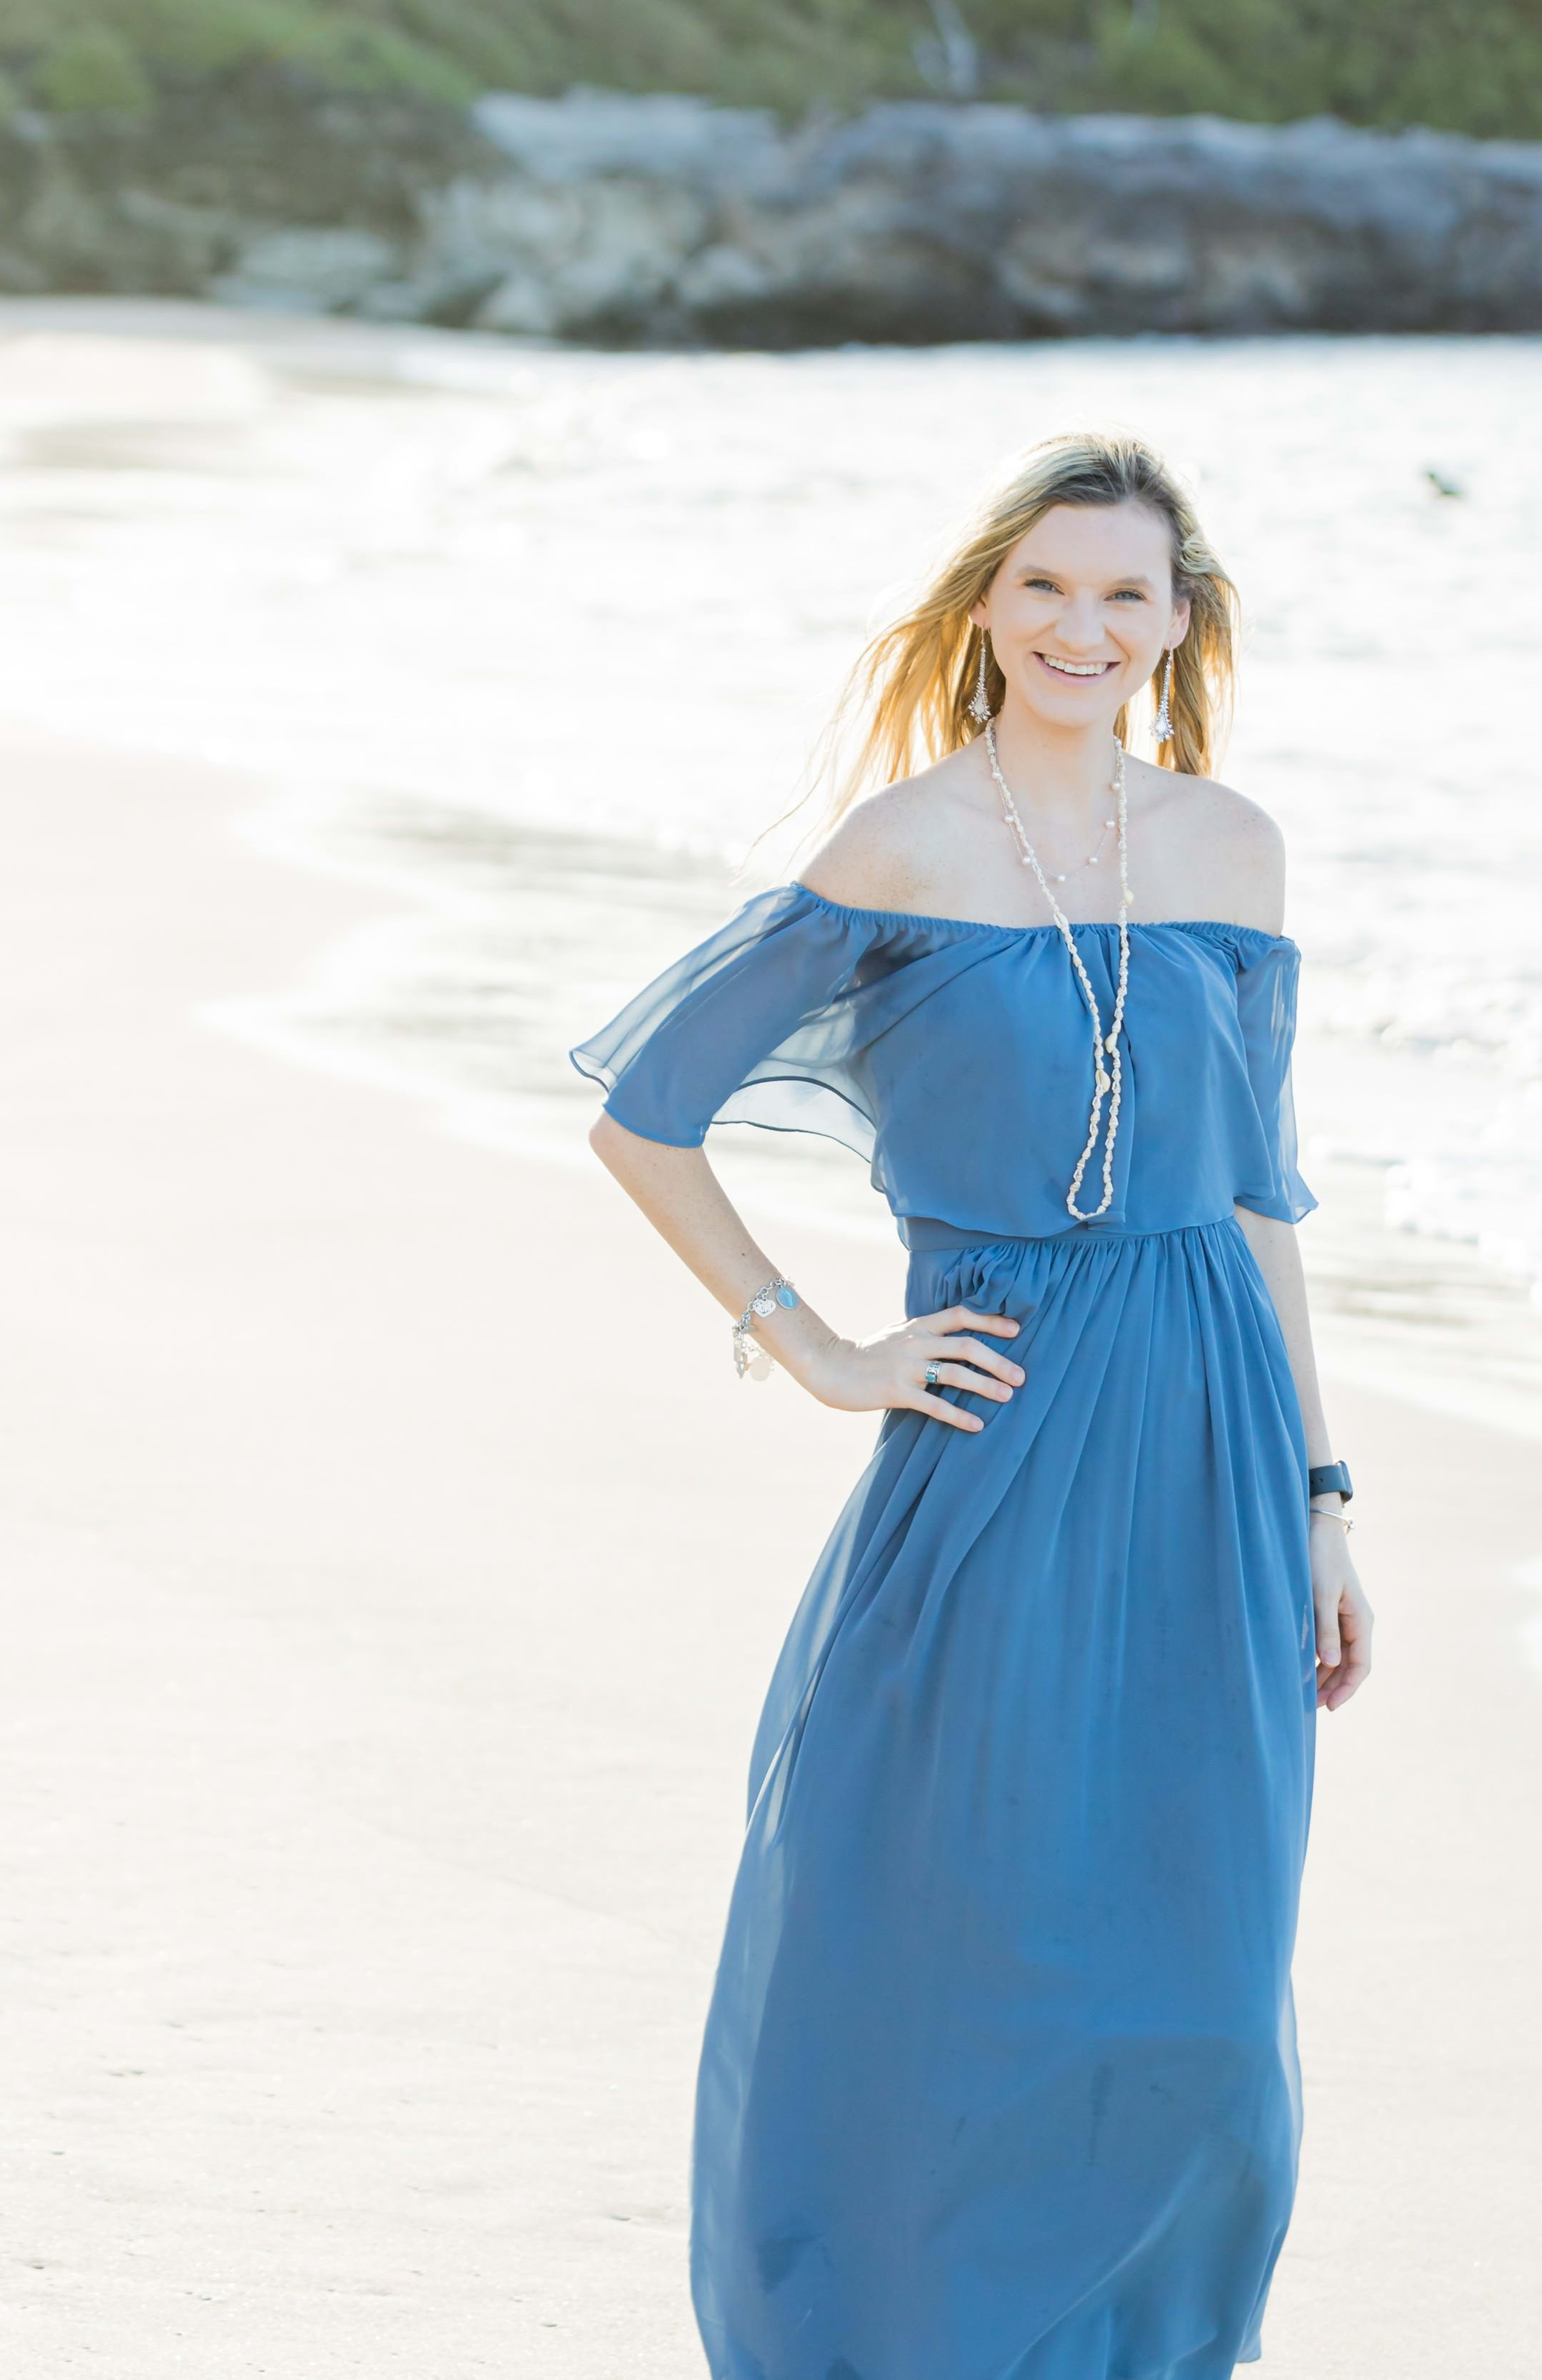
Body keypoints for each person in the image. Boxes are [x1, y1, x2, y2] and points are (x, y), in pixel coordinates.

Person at [573, 430, 1373, 2380]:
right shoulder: (903, 848)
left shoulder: (1233, 850)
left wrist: (1326, 1495)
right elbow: (646, 1117)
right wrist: (819, 1343)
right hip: (996, 1436)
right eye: (1046, 587)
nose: (1082, 627)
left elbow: (1258, 1200)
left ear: (1177, 624)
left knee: (1200, 1972)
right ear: (987, 608)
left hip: (1216, 1447)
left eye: (1124, 594)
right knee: (947, 1929)